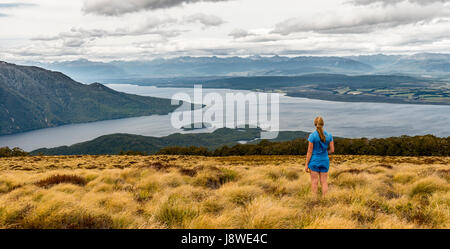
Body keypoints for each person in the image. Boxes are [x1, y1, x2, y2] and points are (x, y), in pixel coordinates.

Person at [305, 116, 334, 197]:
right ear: (323, 124)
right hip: (325, 161)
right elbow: (332, 150)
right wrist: (325, 152)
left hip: (314, 161)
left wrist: (306, 164)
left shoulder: (312, 136)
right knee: (324, 182)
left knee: (314, 182)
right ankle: (325, 200)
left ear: (315, 124)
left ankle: (314, 200)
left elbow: (309, 151)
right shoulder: (329, 135)